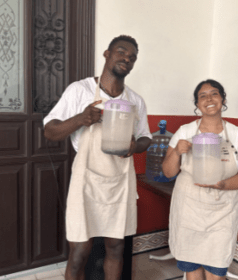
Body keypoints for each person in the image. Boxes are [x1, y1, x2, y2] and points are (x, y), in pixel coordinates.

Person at [43, 35, 152, 280]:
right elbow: (50, 131)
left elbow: (146, 137)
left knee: (116, 247)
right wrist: (80, 119)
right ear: (106, 53)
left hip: (120, 181)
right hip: (87, 182)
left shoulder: (135, 101)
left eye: (132, 57)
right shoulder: (79, 90)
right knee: (80, 249)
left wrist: (135, 146)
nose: (127, 58)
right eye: (121, 52)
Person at [162, 79, 238, 280]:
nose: (209, 99)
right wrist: (177, 151)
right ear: (197, 104)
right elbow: (168, 172)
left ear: (223, 99)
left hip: (223, 212)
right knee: (192, 270)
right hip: (188, 210)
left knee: (216, 270)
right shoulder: (185, 131)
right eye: (202, 96)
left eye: (214, 94)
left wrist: (223, 184)